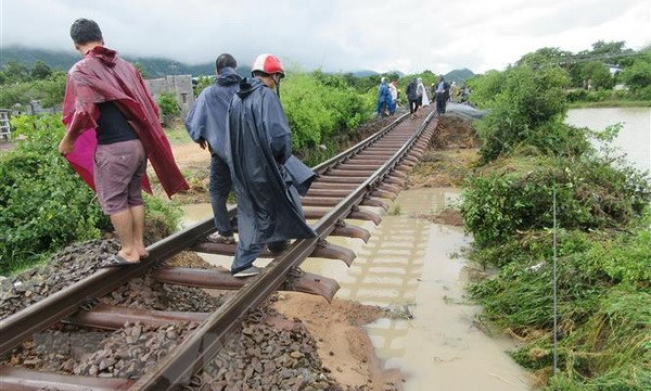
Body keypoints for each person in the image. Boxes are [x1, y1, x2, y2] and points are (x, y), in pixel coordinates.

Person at [58, 18, 189, 267]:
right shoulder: (127, 68)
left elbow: (84, 111)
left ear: (76, 44)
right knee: (133, 196)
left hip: (114, 149)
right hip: (138, 145)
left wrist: (69, 139)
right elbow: (151, 106)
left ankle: (128, 250)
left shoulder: (81, 70)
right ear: (102, 38)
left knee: (114, 200)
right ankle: (139, 245)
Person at [225, 54, 316, 277]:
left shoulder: (237, 97)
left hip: (240, 168)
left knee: (252, 210)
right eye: (278, 77)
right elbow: (279, 136)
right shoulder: (266, 97)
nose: (277, 82)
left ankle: (277, 243)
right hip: (263, 167)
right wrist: (283, 158)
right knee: (267, 211)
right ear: (274, 75)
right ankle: (243, 263)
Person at [185, 53, 241, 244]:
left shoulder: (209, 93)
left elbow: (194, 119)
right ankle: (257, 229)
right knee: (249, 190)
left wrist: (200, 137)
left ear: (216, 71)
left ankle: (225, 233)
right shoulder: (246, 89)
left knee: (217, 192)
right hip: (247, 153)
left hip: (220, 154)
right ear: (236, 67)